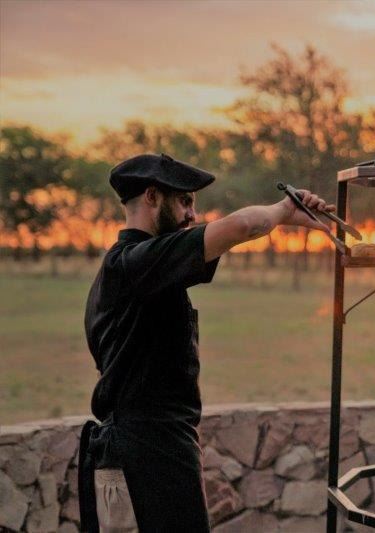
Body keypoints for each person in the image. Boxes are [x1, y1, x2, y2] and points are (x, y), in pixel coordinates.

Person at [79, 153, 332, 532]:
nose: (192, 215)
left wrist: (286, 218)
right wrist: (283, 210)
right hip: (144, 457)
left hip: (153, 452)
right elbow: (241, 226)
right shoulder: (134, 265)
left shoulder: (143, 269)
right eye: (185, 201)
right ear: (152, 197)